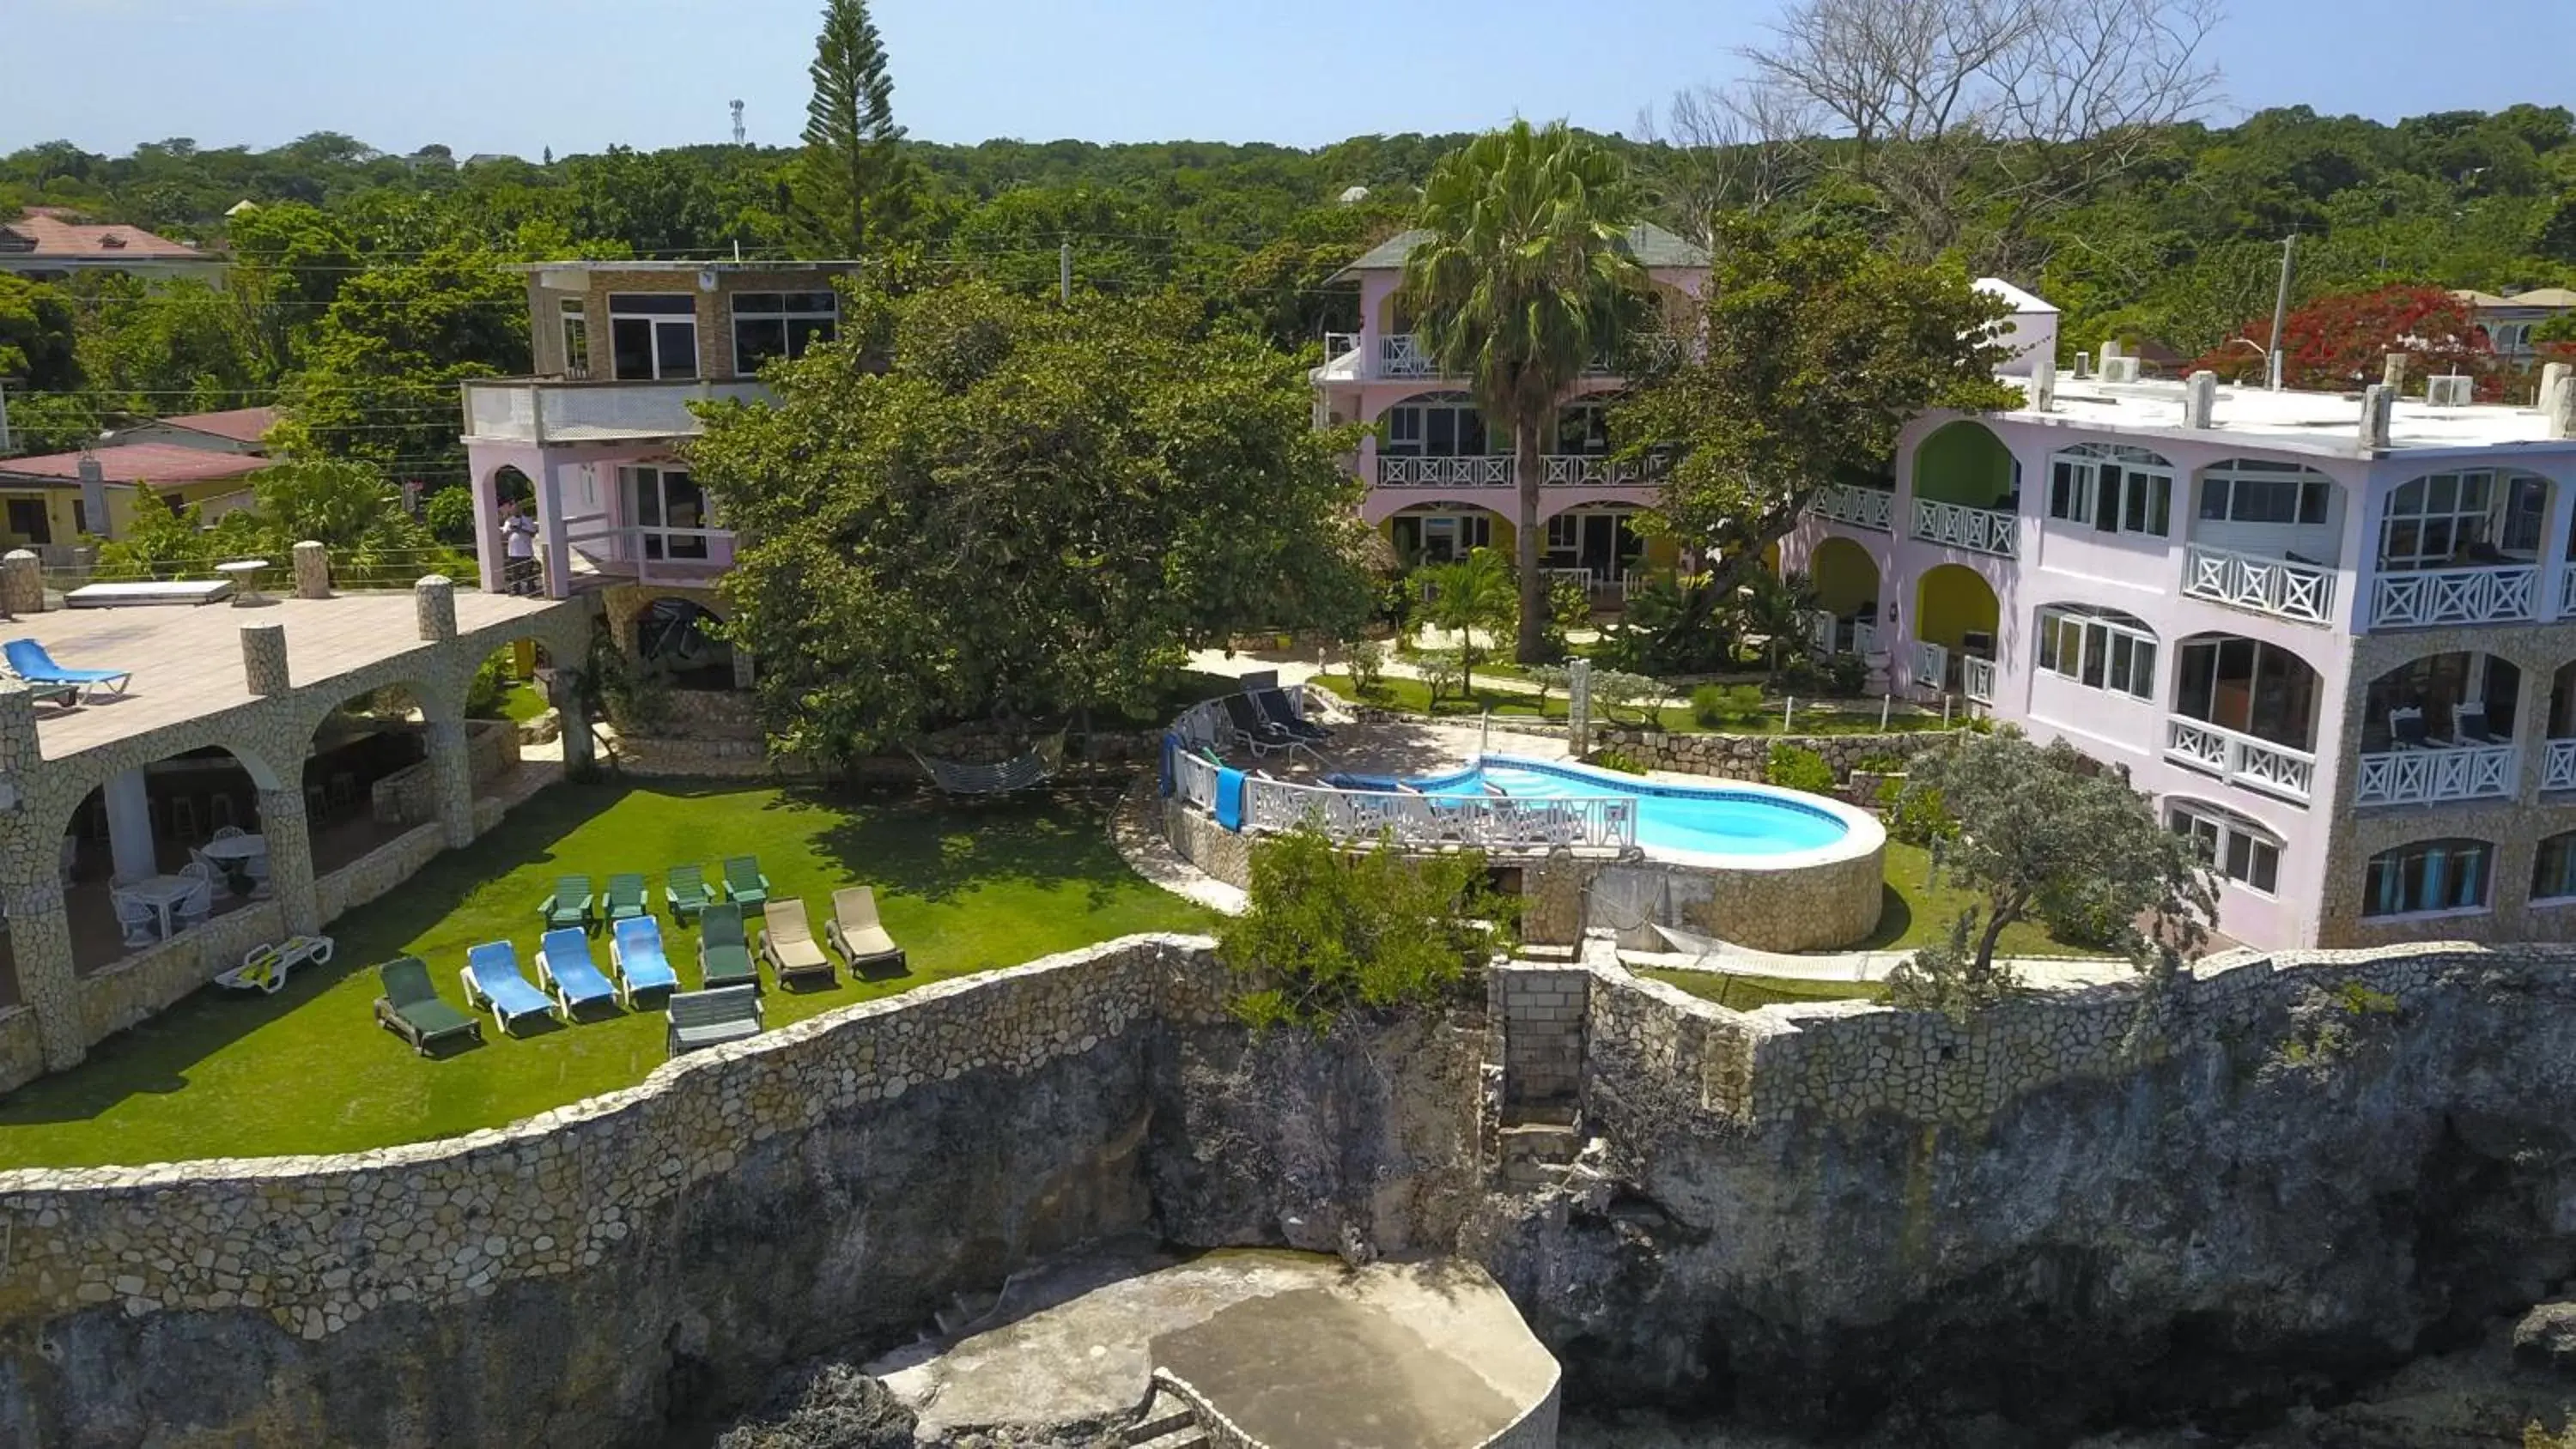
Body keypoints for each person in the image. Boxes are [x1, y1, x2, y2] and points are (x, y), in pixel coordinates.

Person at [502, 506, 539, 596]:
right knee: (515, 572)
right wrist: (512, 529)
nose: (515, 511)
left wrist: (522, 529)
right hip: (514, 551)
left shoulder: (527, 520)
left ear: (521, 510)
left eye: (517, 510)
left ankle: (531, 589)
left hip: (526, 550)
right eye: (514, 510)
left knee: (528, 572)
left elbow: (533, 533)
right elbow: (504, 534)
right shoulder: (509, 521)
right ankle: (516, 589)